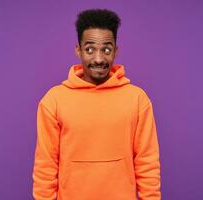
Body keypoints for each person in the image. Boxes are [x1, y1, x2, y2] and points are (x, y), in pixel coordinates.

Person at [32, 8, 161, 200]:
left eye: (106, 49)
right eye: (90, 49)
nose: (99, 59)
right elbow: (46, 167)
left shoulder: (137, 99)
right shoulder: (53, 101)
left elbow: (147, 163)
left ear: (116, 51)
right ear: (78, 50)